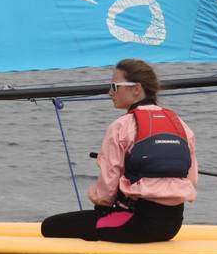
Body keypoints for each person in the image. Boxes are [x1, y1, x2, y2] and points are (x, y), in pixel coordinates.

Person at [41, 58, 197, 243]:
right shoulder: (180, 124)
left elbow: (106, 191)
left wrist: (99, 203)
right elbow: (191, 179)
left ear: (136, 89)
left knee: (49, 227)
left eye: (114, 86)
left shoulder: (121, 126)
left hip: (135, 224)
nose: (109, 92)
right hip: (172, 226)